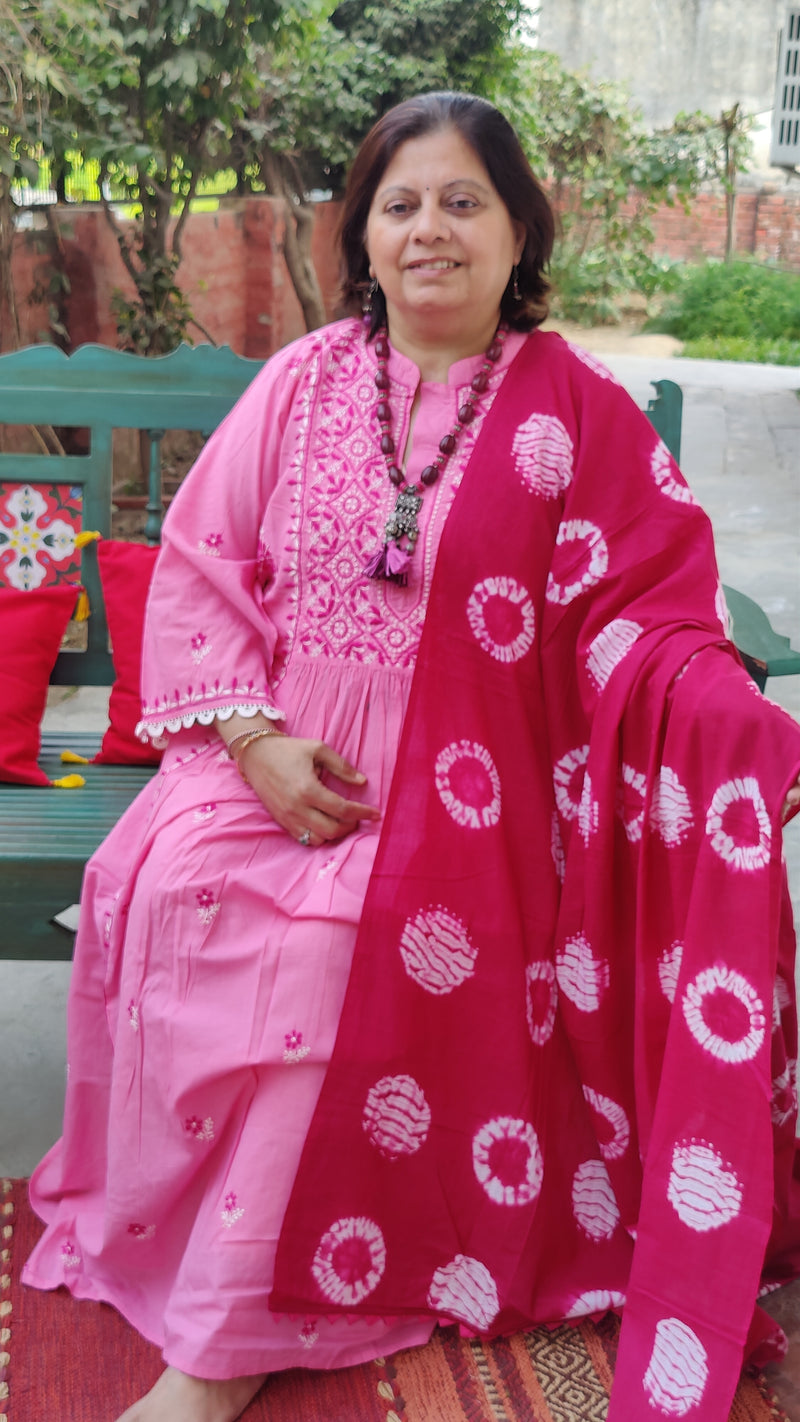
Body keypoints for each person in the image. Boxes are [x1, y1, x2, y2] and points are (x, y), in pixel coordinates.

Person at [23, 91, 800, 1422]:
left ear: (518, 231)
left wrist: (724, 720)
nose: (427, 231)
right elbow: (205, 569)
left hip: (475, 786)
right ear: (364, 237)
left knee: (334, 948)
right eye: (400, 205)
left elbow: (647, 612)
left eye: (461, 203)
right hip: (269, 749)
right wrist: (257, 744)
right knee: (167, 894)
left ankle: (225, 1343)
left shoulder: (579, 414)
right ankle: (209, 1235)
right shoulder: (304, 382)